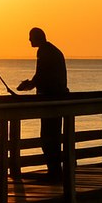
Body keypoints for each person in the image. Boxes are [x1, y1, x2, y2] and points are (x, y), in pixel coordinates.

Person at [17, 27, 69, 178]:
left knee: (47, 138)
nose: (29, 40)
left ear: (37, 37)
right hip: (58, 98)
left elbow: (40, 76)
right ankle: (56, 170)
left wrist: (28, 86)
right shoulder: (52, 50)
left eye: (30, 37)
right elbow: (42, 75)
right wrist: (30, 84)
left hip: (50, 100)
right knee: (54, 137)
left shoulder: (43, 51)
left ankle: (54, 172)